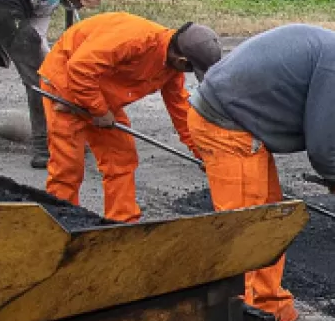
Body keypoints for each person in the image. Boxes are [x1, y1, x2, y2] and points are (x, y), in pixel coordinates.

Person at [187, 16, 335, 321]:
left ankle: (269, 311)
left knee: (269, 222)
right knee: (246, 232)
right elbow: (322, 145)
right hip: (226, 124)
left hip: (240, 125)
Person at [39, 12, 222, 223]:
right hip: (64, 85)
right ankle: (61, 221)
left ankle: (121, 222)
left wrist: (202, 154)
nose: (188, 73)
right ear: (181, 59)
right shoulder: (136, 40)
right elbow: (80, 67)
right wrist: (98, 111)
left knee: (121, 158)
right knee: (68, 165)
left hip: (99, 91)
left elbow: (181, 112)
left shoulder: (171, 68)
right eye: (190, 68)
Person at [0, 0, 104, 168]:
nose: (78, 7)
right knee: (39, 80)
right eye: (80, 2)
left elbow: (37, 40)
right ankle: (44, 148)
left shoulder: (49, 2)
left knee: (43, 71)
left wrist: (55, 69)